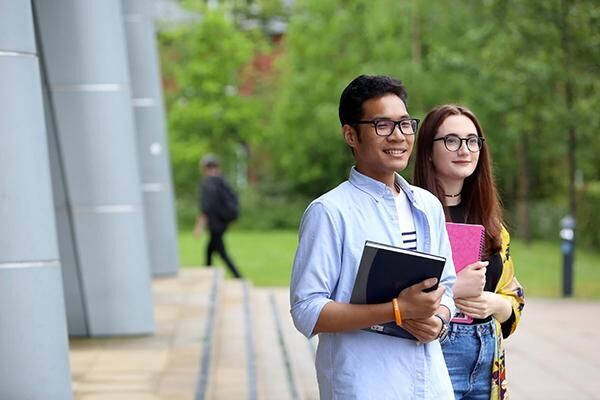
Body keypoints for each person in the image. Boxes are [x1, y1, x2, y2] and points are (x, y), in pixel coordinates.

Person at [289, 75, 460, 399]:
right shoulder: (329, 212)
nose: (398, 136)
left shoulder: (427, 205)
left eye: (405, 124)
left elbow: (447, 287)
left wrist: (439, 318)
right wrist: (396, 310)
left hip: (429, 385)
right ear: (351, 134)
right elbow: (307, 310)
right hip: (364, 385)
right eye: (382, 125)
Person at [413, 104, 525, 400]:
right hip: (432, 355)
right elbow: (388, 301)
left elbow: (514, 296)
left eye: (472, 140)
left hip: (487, 361)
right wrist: (453, 288)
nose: (465, 149)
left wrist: (496, 306)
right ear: (427, 150)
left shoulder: (491, 223)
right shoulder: (409, 217)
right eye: (451, 140)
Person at [194, 154, 242, 278]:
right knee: (210, 250)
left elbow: (206, 207)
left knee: (221, 252)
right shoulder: (222, 181)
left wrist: (199, 226)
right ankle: (207, 274)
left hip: (215, 224)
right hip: (222, 223)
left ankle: (238, 277)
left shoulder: (207, 184)